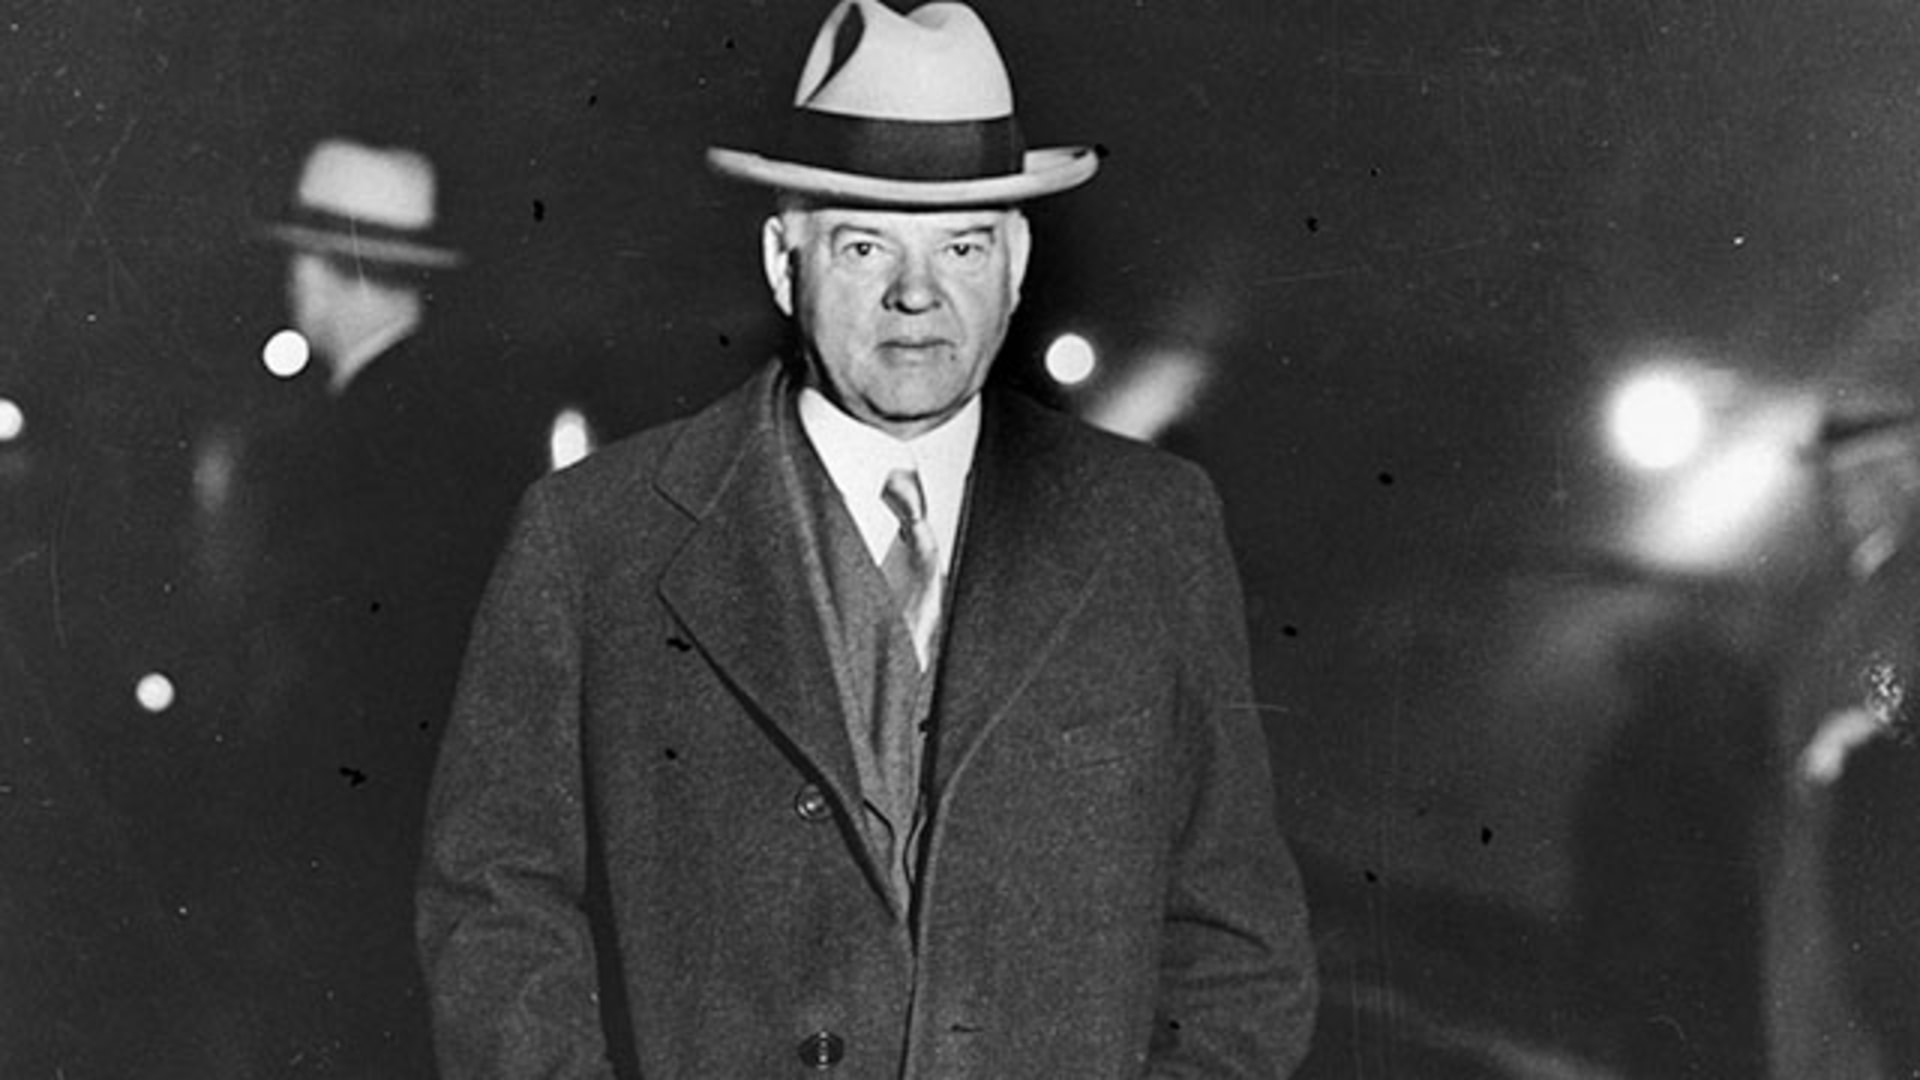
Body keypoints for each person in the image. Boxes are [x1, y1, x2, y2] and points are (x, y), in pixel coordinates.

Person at [417, 3, 1318, 1077]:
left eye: (963, 245)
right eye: (863, 244)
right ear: (783, 261)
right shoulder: (593, 541)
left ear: (1017, 264)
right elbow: (494, 909)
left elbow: (1240, 950)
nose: (917, 294)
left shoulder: (1150, 527)